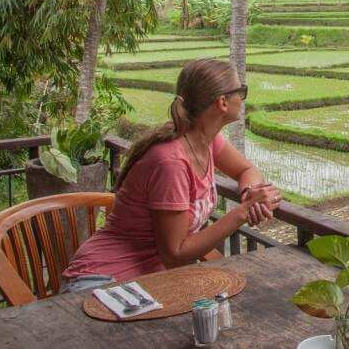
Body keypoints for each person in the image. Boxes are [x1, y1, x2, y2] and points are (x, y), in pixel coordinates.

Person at [61, 59, 281, 293]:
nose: (243, 98)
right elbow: (175, 254)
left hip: (151, 281)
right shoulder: (171, 163)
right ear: (223, 102)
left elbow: (247, 170)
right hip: (104, 281)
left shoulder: (205, 139)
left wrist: (248, 193)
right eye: (241, 91)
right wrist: (243, 212)